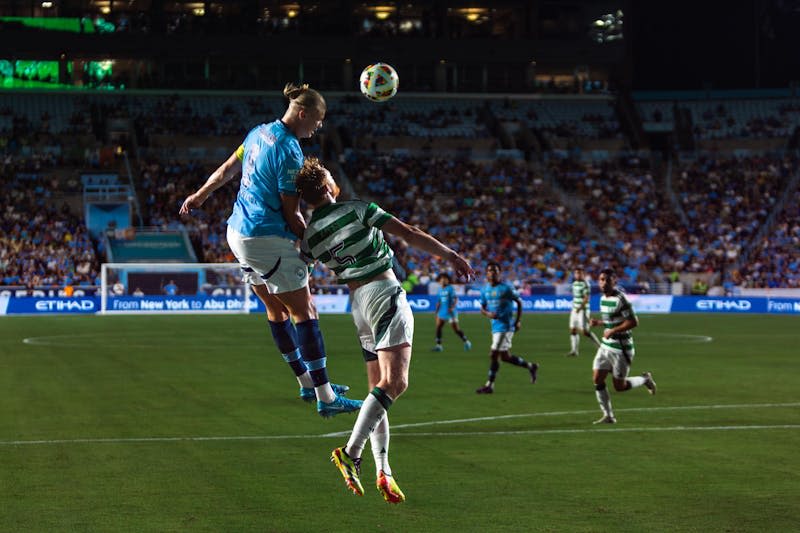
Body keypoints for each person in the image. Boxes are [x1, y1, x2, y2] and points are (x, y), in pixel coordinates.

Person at [294, 157, 473, 504]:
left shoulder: (310, 237)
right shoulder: (359, 209)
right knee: (396, 383)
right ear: (328, 186)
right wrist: (450, 255)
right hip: (384, 292)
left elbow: (303, 268)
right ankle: (350, 452)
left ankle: (383, 469)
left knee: (378, 390)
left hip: (358, 304)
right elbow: (408, 233)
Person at [179, 82, 360, 418]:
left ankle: (308, 383)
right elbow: (291, 213)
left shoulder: (258, 133)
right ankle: (325, 396)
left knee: (277, 310)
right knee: (305, 310)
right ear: (303, 114)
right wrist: (313, 245)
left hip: (237, 232)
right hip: (263, 238)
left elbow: (228, 169)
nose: (318, 127)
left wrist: (202, 193)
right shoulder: (290, 150)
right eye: (317, 120)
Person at [589, 268, 657, 424]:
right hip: (606, 346)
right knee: (597, 379)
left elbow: (633, 322)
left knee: (619, 386)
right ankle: (608, 416)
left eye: (607, 280)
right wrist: (599, 323)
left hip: (621, 348)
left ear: (614, 281)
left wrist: (613, 330)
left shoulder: (621, 299)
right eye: (601, 279)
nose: (604, 282)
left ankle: (645, 379)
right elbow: (613, 319)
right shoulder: (602, 298)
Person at [475, 262, 539, 394]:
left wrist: (518, 321)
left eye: (495, 271)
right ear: (486, 273)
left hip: (506, 326)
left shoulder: (506, 289)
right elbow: (482, 308)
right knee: (505, 357)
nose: (492, 273)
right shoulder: (485, 290)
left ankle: (489, 385)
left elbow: (519, 302)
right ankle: (531, 366)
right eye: (490, 271)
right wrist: (488, 314)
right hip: (495, 326)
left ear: (499, 273)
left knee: (493, 354)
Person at [431, 273, 472, 352]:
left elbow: (456, 299)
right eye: (442, 279)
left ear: (448, 281)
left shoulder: (450, 288)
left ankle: (466, 342)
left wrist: (452, 307)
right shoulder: (439, 290)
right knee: (438, 327)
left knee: (456, 329)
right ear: (439, 281)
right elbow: (439, 301)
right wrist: (436, 310)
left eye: (445, 279)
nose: (443, 280)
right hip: (442, 312)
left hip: (450, 312)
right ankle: (439, 346)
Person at [566, 267, 601, 357]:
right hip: (574, 309)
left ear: (583, 274)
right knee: (573, 329)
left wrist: (580, 307)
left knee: (585, 331)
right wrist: (574, 307)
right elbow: (575, 296)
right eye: (576, 273)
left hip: (583, 310)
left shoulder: (585, 284)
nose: (578, 275)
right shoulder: (574, 284)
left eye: (580, 273)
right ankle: (574, 351)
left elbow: (586, 298)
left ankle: (600, 347)